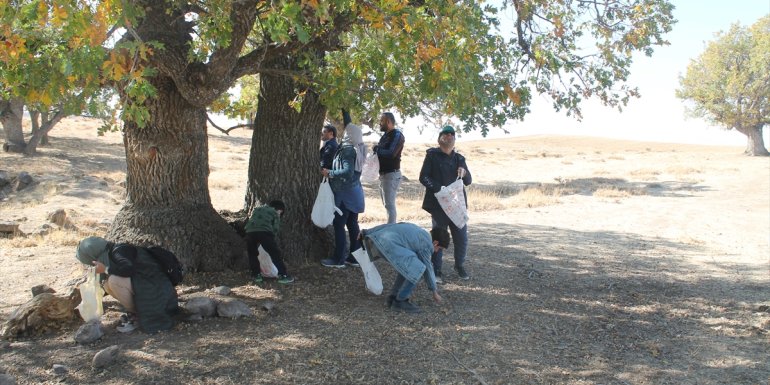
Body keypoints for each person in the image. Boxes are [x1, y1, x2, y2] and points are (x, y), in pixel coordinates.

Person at [75, 236, 179, 333]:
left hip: (157, 290)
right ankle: (137, 312)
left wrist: (106, 269)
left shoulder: (119, 251)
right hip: (148, 285)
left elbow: (128, 270)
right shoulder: (111, 254)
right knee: (107, 284)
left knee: (113, 281)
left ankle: (137, 315)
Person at [419, 125, 473, 282]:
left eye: (452, 134)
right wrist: (439, 189)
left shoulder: (460, 159)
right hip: (438, 206)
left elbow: (468, 181)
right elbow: (423, 177)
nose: (449, 136)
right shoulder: (432, 156)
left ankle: (459, 265)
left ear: (454, 140)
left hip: (457, 205)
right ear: (439, 139)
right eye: (445, 134)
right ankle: (436, 270)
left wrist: (464, 173)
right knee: (438, 238)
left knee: (461, 237)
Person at [359, 223, 449, 313]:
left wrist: (366, 232)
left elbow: (392, 226)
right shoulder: (426, 243)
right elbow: (428, 268)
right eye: (439, 248)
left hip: (378, 241)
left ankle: (393, 297)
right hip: (388, 245)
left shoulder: (417, 230)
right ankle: (400, 301)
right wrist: (434, 292)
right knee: (418, 268)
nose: (437, 251)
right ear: (435, 242)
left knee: (408, 266)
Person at [321, 111, 366, 268]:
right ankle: (354, 257)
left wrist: (330, 173)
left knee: (339, 225)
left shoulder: (348, 149)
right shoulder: (360, 147)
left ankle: (338, 259)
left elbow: (347, 172)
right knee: (353, 225)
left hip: (345, 194)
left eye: (347, 131)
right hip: (355, 192)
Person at [245, 200, 294, 284]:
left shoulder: (257, 209)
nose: (280, 214)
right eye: (280, 213)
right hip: (265, 233)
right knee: (275, 254)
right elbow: (275, 228)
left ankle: (256, 275)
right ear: (279, 210)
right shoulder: (274, 213)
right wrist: (272, 237)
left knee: (252, 254)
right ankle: (283, 275)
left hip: (250, 232)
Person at [373, 112, 405, 224]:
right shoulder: (385, 136)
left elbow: (391, 153)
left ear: (388, 122)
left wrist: (377, 149)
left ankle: (391, 230)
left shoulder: (397, 135)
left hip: (391, 175)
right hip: (383, 175)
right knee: (387, 204)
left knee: (389, 205)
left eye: (381, 121)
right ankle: (390, 227)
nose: (379, 123)